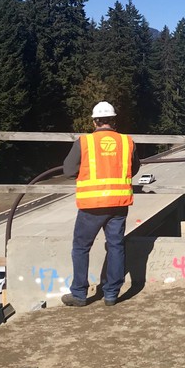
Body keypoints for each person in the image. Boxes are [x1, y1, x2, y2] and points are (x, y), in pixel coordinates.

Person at [61, 101, 139, 307]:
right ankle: (111, 294)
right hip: (118, 203)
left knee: (80, 247)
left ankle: (79, 294)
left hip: (92, 205)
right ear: (113, 120)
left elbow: (68, 170)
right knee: (115, 246)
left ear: (95, 121)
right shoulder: (126, 142)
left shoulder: (84, 142)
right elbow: (135, 168)